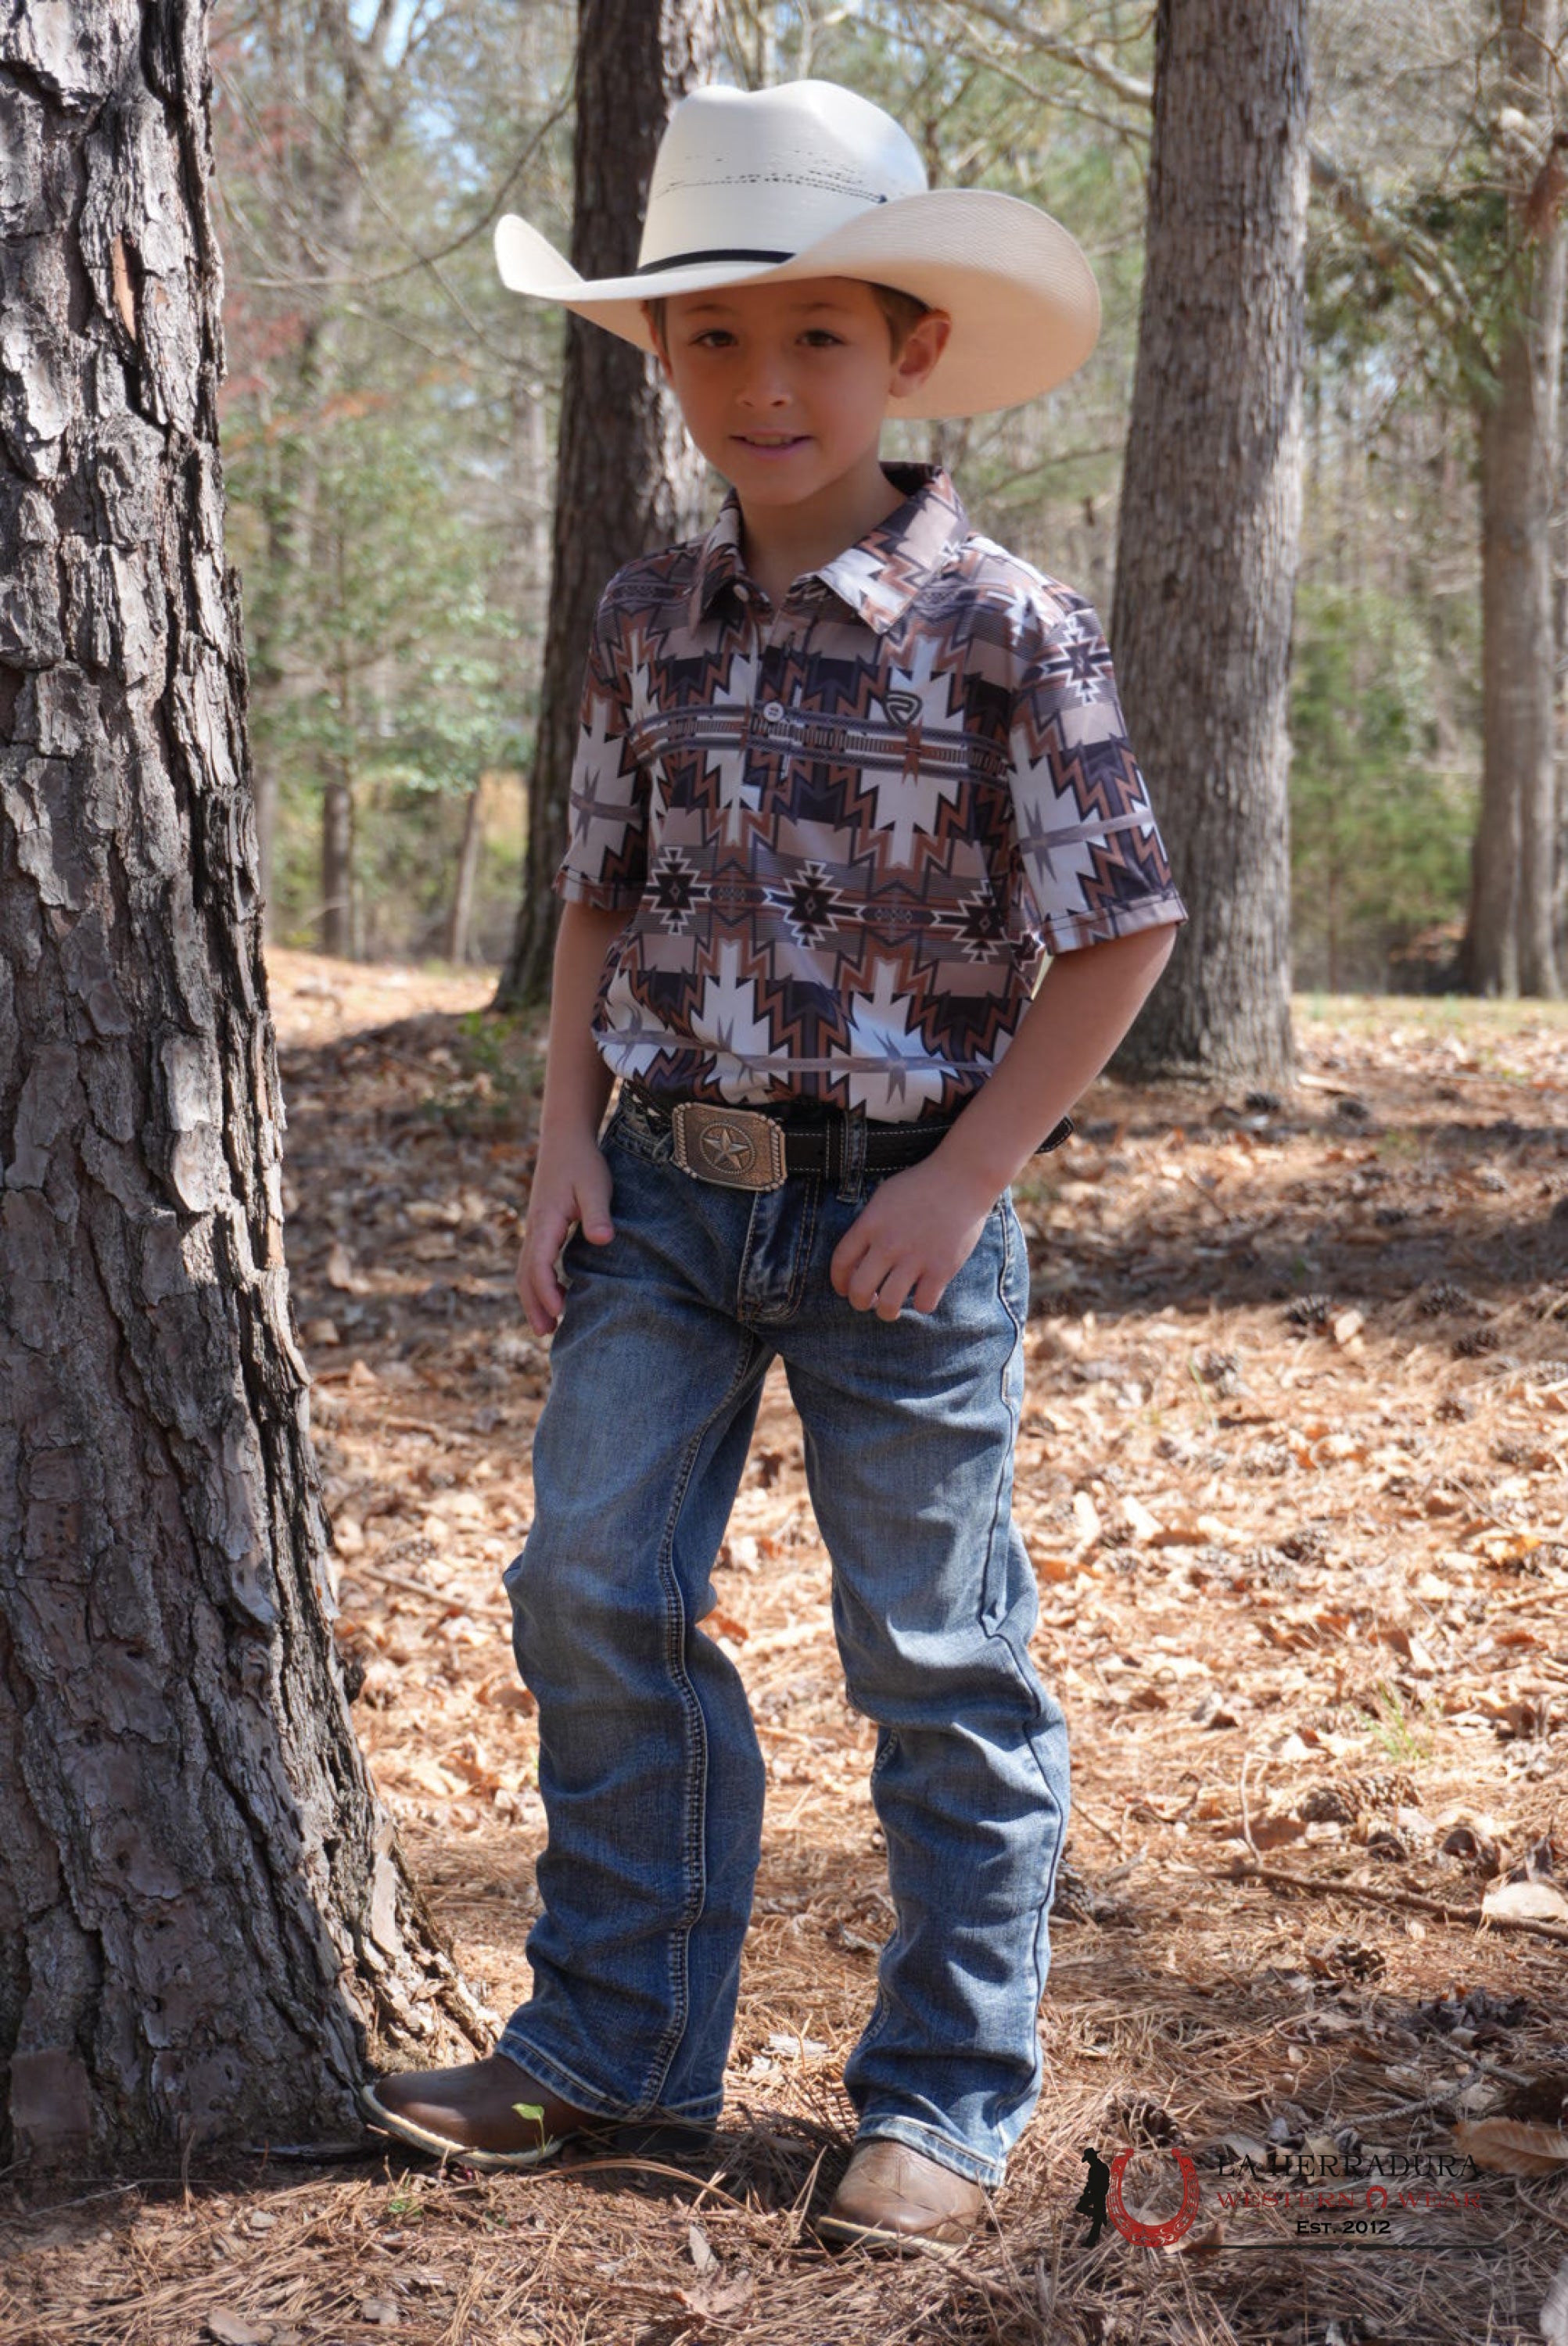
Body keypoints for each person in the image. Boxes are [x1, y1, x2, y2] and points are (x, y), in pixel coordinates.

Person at [359, 77, 1188, 2256]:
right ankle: (617, 2052)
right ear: (661, 366)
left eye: (813, 335)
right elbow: (600, 898)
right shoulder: (649, 615)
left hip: (905, 1213)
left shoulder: (1012, 628)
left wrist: (966, 1181)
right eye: (711, 342)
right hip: (665, 1200)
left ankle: (940, 2095)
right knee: (591, 1592)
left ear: (909, 350)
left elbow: (1126, 926)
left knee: (933, 1647)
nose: (762, 384)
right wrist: (560, 1150)